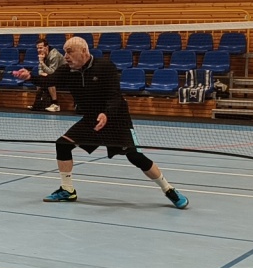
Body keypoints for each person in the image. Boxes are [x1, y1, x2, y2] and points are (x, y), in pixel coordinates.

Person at [14, 36, 188, 208]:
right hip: (92, 119)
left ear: (84, 51)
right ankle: (67, 190)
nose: (66, 56)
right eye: (65, 52)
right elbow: (49, 80)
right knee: (63, 144)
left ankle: (168, 189)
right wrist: (30, 77)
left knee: (135, 156)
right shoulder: (67, 70)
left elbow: (115, 96)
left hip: (116, 119)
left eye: (70, 52)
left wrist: (106, 114)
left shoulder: (104, 67)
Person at [31, 37, 63, 112]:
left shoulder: (54, 55)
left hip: (64, 76)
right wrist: (42, 74)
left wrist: (42, 62)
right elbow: (40, 69)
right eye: (37, 48)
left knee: (49, 80)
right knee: (39, 80)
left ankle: (55, 104)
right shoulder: (42, 55)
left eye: (41, 48)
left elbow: (52, 72)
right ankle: (37, 104)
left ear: (46, 47)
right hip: (54, 75)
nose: (39, 50)